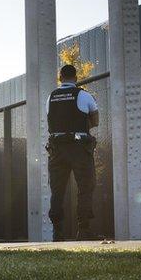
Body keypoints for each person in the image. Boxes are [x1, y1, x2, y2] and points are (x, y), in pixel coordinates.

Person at [47, 64, 99, 241]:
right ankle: (83, 230)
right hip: (79, 148)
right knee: (85, 187)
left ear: (60, 77)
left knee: (57, 190)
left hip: (57, 148)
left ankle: (57, 232)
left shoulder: (51, 97)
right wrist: (80, 126)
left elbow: (51, 120)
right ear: (76, 78)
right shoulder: (83, 95)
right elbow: (95, 120)